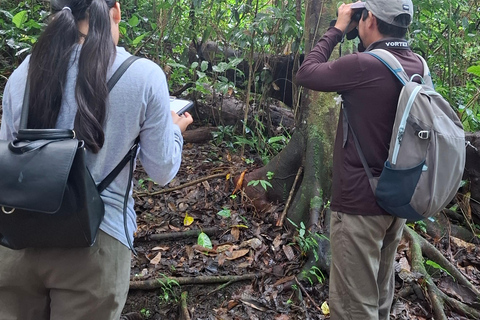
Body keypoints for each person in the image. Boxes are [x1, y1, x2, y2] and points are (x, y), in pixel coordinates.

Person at [0, 0, 192, 319]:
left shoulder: (23, 73)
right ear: (114, 11)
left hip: (16, 242)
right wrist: (175, 130)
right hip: (95, 245)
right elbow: (162, 170)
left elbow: (8, 156)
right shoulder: (143, 76)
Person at [296, 0, 422, 319]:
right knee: (379, 298)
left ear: (370, 19)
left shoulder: (363, 65)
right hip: (397, 199)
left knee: (353, 308)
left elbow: (306, 73)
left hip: (359, 206)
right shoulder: (417, 64)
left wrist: (338, 29)